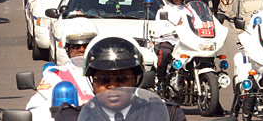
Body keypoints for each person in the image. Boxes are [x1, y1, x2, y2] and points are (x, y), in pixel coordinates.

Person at [54, 35, 187, 121]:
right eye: (104, 79)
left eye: (121, 78)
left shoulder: (166, 115)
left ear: (136, 79)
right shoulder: (71, 117)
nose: (112, 86)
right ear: (92, 81)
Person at [25, 19, 97, 110]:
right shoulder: (55, 75)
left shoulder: (108, 73)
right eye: (75, 46)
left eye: (86, 45)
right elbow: (35, 106)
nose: (81, 50)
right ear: (67, 49)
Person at [153, 0, 203, 93]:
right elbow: (161, 28)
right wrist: (176, 29)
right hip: (170, 41)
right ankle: (161, 80)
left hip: (187, 41)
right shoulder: (164, 11)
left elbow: (199, 24)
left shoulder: (189, 10)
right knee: (164, 52)